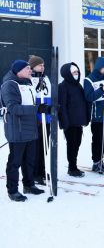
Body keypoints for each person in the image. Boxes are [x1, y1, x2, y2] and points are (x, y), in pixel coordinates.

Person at [1, 60, 46, 201]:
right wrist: (36, 109)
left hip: (31, 129)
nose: (30, 71)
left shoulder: (28, 83)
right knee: (15, 162)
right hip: (17, 129)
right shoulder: (9, 85)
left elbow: (31, 103)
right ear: (18, 70)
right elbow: (13, 108)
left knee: (30, 160)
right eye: (27, 69)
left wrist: (43, 107)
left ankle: (29, 184)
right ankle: (12, 190)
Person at [84, 57, 104, 174]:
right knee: (98, 139)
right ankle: (96, 162)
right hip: (97, 115)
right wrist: (101, 90)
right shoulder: (89, 80)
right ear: (98, 68)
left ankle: (101, 161)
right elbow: (89, 97)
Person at [58, 62, 90, 177]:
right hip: (70, 123)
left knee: (77, 144)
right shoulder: (63, 86)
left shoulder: (78, 85)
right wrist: (65, 122)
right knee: (71, 145)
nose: (76, 74)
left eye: (77, 72)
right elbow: (62, 105)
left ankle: (74, 165)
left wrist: (86, 118)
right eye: (74, 72)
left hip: (78, 121)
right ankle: (72, 168)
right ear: (68, 73)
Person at [29, 55, 51, 185]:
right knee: (36, 147)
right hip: (36, 119)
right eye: (39, 65)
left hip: (46, 117)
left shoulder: (45, 78)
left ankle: (42, 170)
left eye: (43, 65)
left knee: (45, 146)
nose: (42, 67)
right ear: (33, 67)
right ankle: (35, 172)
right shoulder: (30, 79)